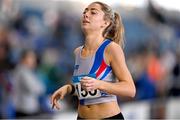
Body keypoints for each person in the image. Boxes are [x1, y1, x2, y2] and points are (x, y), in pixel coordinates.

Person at [51, 1, 136, 119]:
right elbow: (86, 88)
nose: (86, 14)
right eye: (85, 11)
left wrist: (100, 84)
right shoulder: (77, 52)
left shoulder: (111, 49)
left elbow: (130, 89)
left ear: (105, 22)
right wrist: (69, 89)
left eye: (93, 12)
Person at [13, 50, 45, 118]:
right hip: (24, 110)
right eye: (31, 57)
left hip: (30, 109)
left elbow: (42, 88)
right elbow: (35, 89)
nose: (34, 60)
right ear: (23, 59)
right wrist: (38, 87)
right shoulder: (22, 71)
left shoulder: (29, 71)